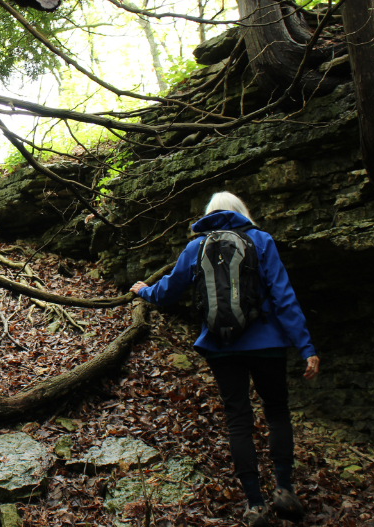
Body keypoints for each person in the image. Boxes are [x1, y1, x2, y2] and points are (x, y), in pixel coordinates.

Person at [130, 191, 320, 527]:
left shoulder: (196, 247)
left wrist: (144, 291)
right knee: (276, 411)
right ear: (242, 212)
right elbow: (283, 296)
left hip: (221, 346)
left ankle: (254, 504)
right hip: (267, 344)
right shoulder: (260, 240)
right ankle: (285, 491)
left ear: (210, 214)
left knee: (238, 419)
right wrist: (306, 347)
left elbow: (170, 290)